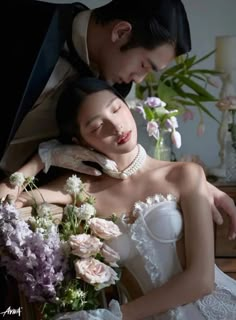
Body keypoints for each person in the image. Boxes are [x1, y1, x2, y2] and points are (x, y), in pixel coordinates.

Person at [4, 78, 236, 320]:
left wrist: (111, 316)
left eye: (116, 108)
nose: (116, 126)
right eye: (96, 127)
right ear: (81, 142)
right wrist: (44, 157)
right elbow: (8, 201)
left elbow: (201, 281)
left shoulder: (183, 174)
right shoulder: (81, 190)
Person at [2, 0, 236, 239]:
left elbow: (116, 159)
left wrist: (193, 186)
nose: (140, 79)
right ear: (121, 32)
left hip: (27, 211)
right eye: (144, 65)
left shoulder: (116, 86)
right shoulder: (23, 21)